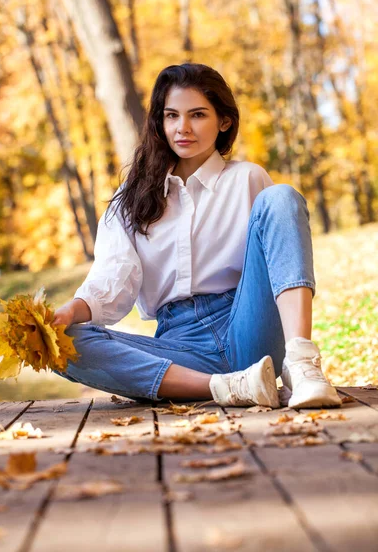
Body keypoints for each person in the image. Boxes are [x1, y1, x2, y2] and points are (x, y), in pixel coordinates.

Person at [53, 63, 341, 409]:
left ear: (224, 121)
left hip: (247, 326)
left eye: (198, 115)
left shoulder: (247, 179)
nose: (182, 128)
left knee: (282, 197)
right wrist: (68, 312)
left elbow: (277, 261)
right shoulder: (132, 197)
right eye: (172, 115)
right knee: (61, 342)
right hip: (179, 348)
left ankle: (302, 364)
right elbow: (112, 281)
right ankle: (228, 387)